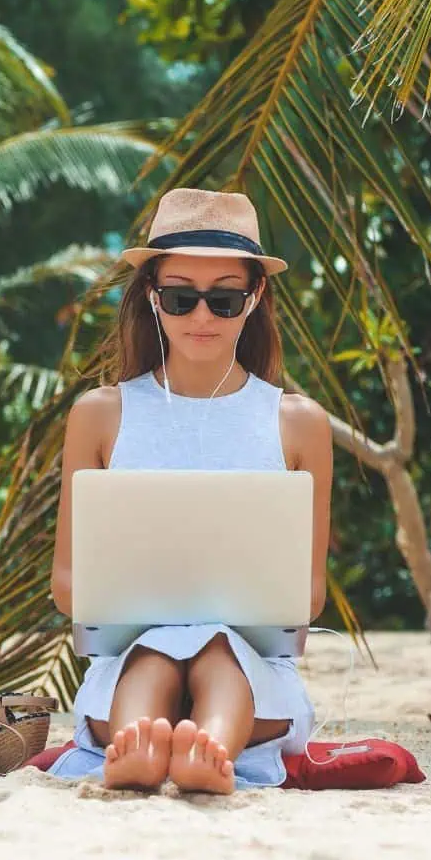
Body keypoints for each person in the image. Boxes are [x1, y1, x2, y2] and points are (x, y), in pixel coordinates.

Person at [49, 188, 333, 794]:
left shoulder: (299, 421)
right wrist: (155, 609)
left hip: (255, 669)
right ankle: (142, 746)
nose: (202, 317)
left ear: (254, 298)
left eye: (225, 299)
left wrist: (210, 615)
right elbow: (67, 582)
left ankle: (210, 749)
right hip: (129, 659)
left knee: (218, 649)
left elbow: (307, 594)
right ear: (153, 297)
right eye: (181, 298)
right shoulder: (99, 414)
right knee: (155, 650)